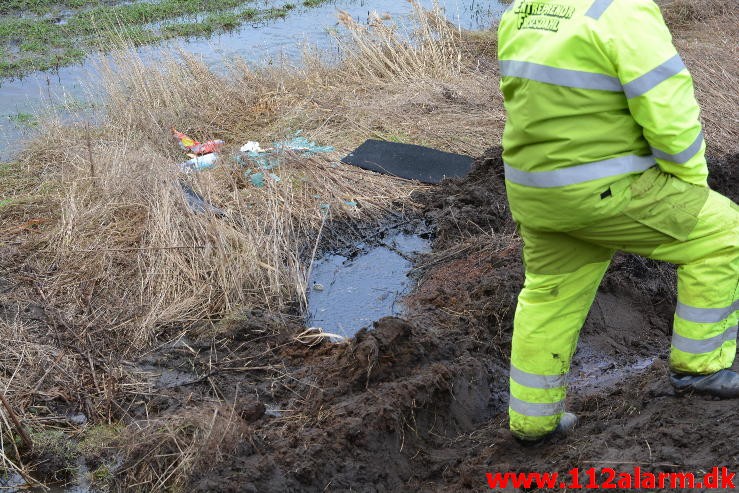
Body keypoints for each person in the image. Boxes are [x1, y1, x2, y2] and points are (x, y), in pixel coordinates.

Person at [496, 0, 739, 442]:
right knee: (726, 233)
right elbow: (669, 111)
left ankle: (533, 423)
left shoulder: (524, 10)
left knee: (549, 295)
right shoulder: (622, 12)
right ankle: (700, 368)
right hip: (604, 190)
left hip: (535, 192)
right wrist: (692, 188)